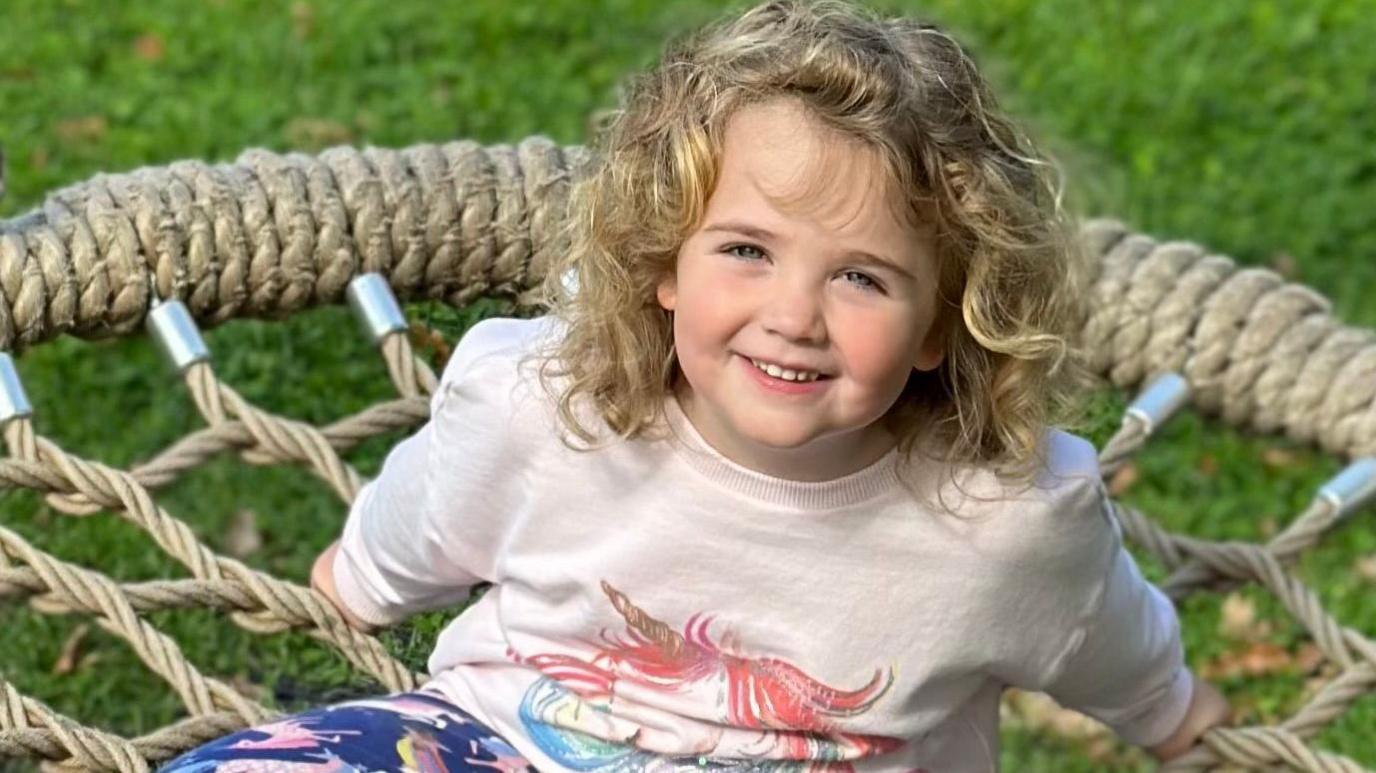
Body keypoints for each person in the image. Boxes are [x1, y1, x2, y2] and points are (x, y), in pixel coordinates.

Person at [161, 1, 1230, 770]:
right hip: (502, 739)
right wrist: (360, 579)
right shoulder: (542, 403)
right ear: (663, 263)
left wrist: (1169, 711)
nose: (794, 315)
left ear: (939, 327)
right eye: (746, 251)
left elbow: (1107, 636)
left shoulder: (1003, 521)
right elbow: (426, 513)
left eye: (861, 277)